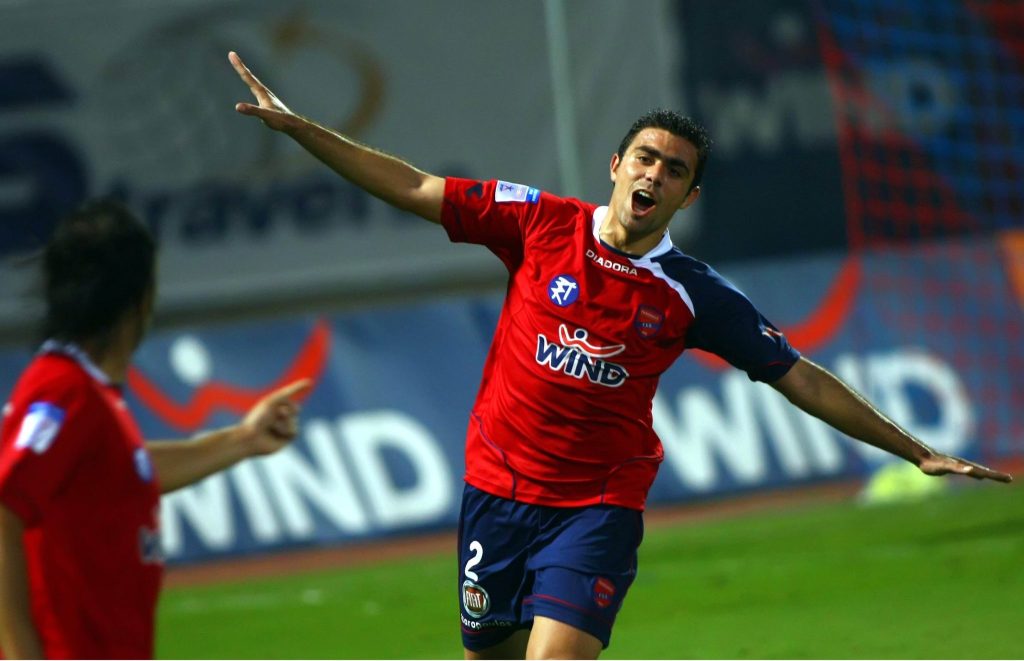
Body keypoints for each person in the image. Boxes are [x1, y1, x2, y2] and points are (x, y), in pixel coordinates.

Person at [227, 51, 1012, 660]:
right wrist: (303, 131)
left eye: (674, 170)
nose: (654, 174)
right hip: (496, 489)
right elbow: (414, 187)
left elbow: (797, 374)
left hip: (595, 507)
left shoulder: (692, 293)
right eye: (644, 157)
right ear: (616, 165)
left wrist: (913, 449)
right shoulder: (538, 222)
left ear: (686, 197)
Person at [0, 199, 310, 660]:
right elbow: (5, 501)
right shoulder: (64, 389)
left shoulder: (90, 390)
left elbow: (124, 473)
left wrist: (244, 439)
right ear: (141, 297)